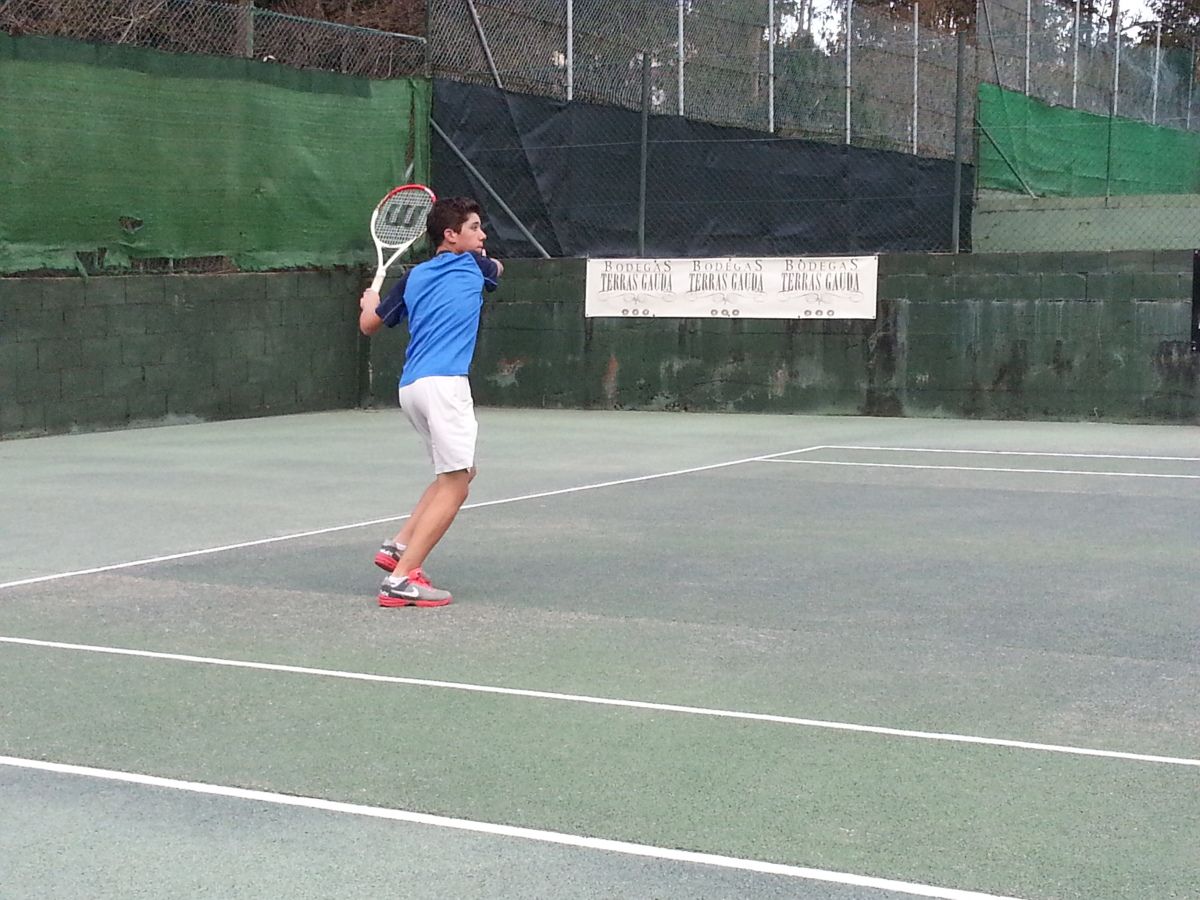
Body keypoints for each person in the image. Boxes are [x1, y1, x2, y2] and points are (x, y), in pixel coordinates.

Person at [357, 196, 503, 608]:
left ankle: (398, 548)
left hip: (412, 389)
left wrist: (370, 302)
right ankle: (402, 581)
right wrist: (481, 257)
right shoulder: (477, 265)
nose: (483, 235)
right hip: (444, 387)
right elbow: (497, 269)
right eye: (474, 228)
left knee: (456, 473)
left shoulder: (415, 276)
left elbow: (369, 325)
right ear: (451, 235)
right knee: (457, 485)